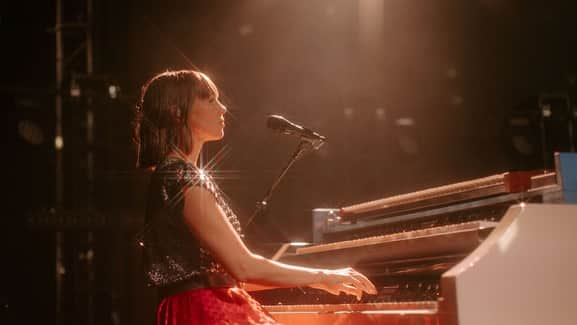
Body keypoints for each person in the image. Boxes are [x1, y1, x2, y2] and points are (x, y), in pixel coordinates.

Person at [133, 70, 377, 324]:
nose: (223, 108)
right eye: (210, 100)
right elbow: (243, 267)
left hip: (194, 307)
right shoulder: (180, 175)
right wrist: (325, 275)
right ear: (176, 111)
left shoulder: (173, 174)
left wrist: (318, 280)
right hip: (206, 311)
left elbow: (229, 274)